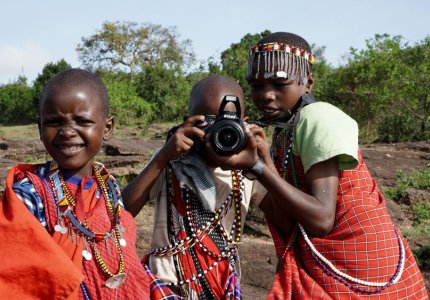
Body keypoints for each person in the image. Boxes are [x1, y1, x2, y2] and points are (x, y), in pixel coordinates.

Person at [242, 32, 428, 299]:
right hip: (331, 265)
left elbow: (321, 219)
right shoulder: (284, 131)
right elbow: (285, 219)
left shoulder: (318, 117)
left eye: (279, 83)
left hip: (363, 266)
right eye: (256, 86)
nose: (267, 95)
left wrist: (259, 169)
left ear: (308, 83)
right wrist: (260, 164)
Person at [0, 68, 150, 299]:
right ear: (40, 128)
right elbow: (20, 276)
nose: (67, 131)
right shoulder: (30, 195)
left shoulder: (108, 186)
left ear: (107, 127)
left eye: (82, 121)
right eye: (54, 122)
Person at [122, 75, 263, 299]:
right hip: (168, 286)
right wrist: (163, 157)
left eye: (228, 122)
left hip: (221, 288)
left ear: (244, 123)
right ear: (188, 121)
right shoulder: (170, 163)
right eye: (208, 121)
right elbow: (122, 212)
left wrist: (261, 165)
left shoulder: (247, 172)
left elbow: (284, 222)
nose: (219, 131)